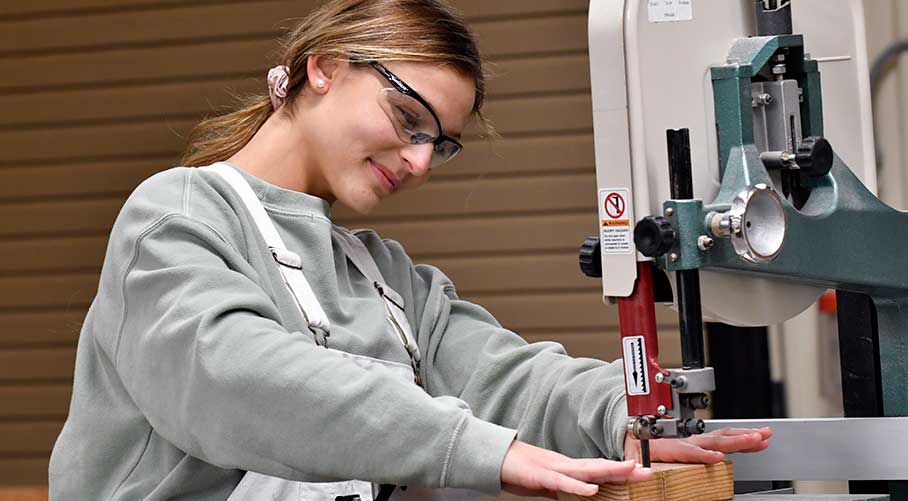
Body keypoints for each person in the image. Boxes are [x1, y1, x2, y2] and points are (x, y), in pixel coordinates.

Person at [47, 0, 771, 499]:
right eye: (407, 118)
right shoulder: (176, 220)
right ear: (322, 67)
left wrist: (631, 410)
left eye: (441, 143)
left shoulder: (385, 280)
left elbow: (514, 379)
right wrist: (479, 448)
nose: (420, 162)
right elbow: (238, 378)